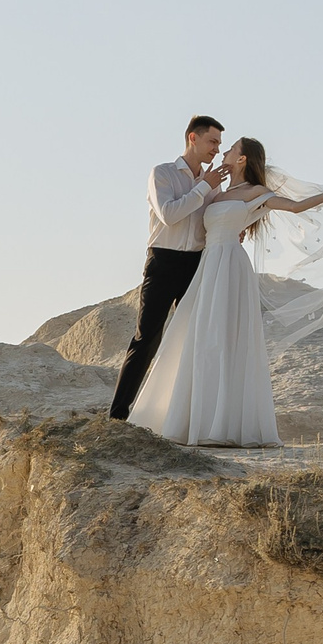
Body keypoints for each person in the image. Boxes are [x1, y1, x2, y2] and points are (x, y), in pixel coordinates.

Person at [126, 136, 323, 448]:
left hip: (230, 266)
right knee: (199, 337)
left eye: (230, 149)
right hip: (207, 265)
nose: (224, 150)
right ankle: (193, 419)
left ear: (242, 159)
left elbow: (295, 207)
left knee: (225, 337)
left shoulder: (256, 192)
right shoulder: (216, 192)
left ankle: (224, 424)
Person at [108, 115, 226, 420]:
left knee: (195, 339)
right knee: (147, 338)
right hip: (163, 260)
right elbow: (170, 214)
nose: (216, 149)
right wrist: (202, 188)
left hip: (196, 264)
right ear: (193, 138)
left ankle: (187, 417)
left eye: (219, 144)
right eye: (213, 141)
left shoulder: (211, 184)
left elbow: (210, 221)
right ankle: (118, 415)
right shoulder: (162, 173)